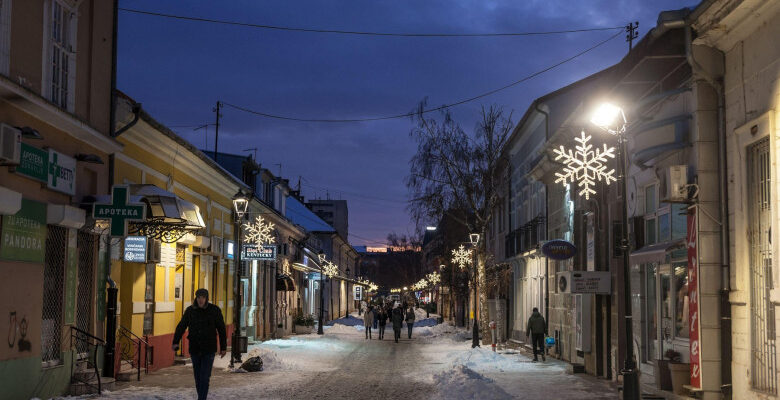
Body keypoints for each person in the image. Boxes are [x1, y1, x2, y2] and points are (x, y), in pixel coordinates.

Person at [173, 288, 227, 400]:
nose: (201, 300)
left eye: (203, 297)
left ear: (207, 298)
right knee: (198, 378)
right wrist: (175, 341)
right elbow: (181, 326)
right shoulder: (190, 311)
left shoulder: (214, 310)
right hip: (195, 348)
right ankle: (201, 397)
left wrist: (223, 347)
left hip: (209, 348)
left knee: (204, 377)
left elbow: (221, 329)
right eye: (199, 297)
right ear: (196, 298)